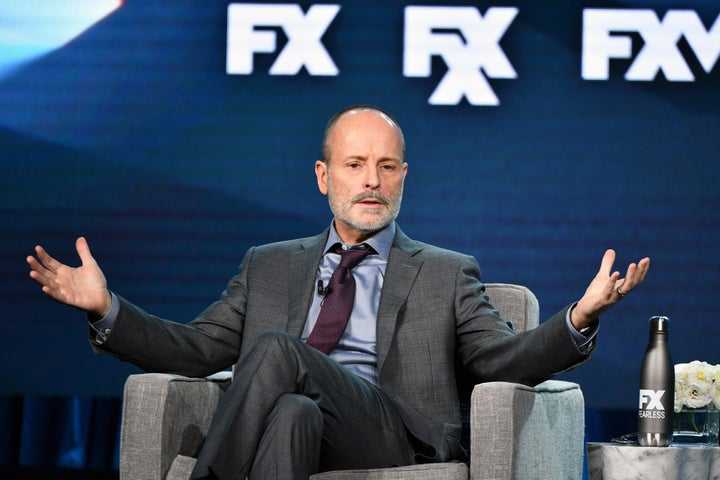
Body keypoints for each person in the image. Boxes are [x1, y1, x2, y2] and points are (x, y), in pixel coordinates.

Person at [27, 105, 650, 480]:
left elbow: (500, 361)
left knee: (276, 350)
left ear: (404, 176)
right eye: (355, 164)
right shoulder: (268, 265)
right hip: (297, 422)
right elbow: (196, 350)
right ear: (325, 176)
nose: (371, 181)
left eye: (386, 167)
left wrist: (579, 316)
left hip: (394, 431)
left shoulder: (446, 270)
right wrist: (107, 310)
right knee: (292, 410)